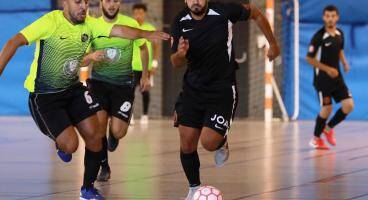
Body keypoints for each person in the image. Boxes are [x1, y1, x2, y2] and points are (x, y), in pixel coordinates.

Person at [0, 0, 169, 199]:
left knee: (95, 135)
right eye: (78, 2)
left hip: (73, 90)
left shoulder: (90, 24)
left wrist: (146, 34)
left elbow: (119, 30)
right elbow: (14, 41)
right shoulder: (50, 22)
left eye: (86, 2)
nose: (83, 6)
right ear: (65, 3)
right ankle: (60, 140)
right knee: (70, 146)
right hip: (45, 96)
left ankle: (87, 189)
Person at [170, 0, 280, 199]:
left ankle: (221, 141)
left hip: (222, 89)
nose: (196, 1)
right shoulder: (179, 21)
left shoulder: (226, 10)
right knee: (187, 143)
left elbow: (256, 14)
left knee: (209, 143)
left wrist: (272, 43)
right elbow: (175, 62)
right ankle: (194, 188)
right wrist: (180, 53)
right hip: (192, 89)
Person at [84, 0, 151, 182]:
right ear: (101, 3)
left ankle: (114, 134)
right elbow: (82, 57)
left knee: (118, 131)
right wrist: (90, 57)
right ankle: (104, 166)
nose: (111, 4)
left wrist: (145, 76)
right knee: (98, 128)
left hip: (123, 85)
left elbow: (144, 49)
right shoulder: (92, 25)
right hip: (99, 83)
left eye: (115, 0)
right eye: (108, 0)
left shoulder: (130, 23)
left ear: (120, 2)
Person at [306, 5, 354, 150]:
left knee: (349, 105)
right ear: (323, 17)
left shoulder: (340, 33)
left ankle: (328, 129)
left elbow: (340, 50)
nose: (330, 18)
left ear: (337, 17)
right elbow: (309, 59)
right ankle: (315, 139)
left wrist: (344, 63)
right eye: (327, 16)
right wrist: (328, 69)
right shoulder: (318, 37)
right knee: (327, 108)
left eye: (333, 16)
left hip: (337, 78)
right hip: (322, 79)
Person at [132, 3, 160, 124]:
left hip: (145, 68)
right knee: (129, 92)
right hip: (131, 67)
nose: (138, 15)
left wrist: (154, 64)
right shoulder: (129, 28)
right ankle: (130, 116)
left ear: (145, 13)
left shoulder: (150, 28)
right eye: (136, 12)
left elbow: (156, 47)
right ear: (133, 13)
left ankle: (144, 115)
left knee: (145, 92)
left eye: (141, 12)